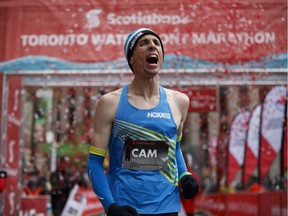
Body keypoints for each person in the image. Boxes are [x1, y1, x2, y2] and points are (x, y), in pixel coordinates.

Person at [87, 28, 199, 216]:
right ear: (131, 58)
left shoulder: (179, 101)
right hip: (126, 209)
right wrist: (110, 207)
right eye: (143, 43)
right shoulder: (110, 103)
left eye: (156, 43)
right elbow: (94, 162)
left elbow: (174, 147)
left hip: (167, 207)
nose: (152, 46)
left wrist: (184, 175)